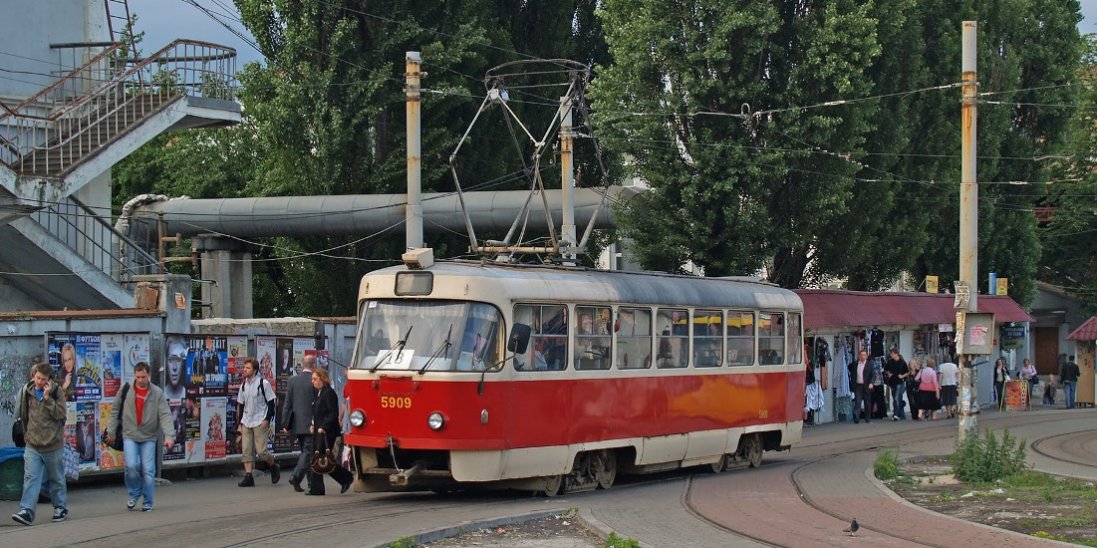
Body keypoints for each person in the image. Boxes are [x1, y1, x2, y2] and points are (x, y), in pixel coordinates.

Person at [105, 361, 175, 512]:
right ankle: (134, 492)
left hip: (148, 436)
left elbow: (165, 415)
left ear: (148, 375)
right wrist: (111, 431)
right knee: (131, 466)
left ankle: (148, 501)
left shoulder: (157, 393)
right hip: (129, 434)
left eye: (143, 377)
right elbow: (115, 410)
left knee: (148, 470)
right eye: (138, 377)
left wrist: (169, 435)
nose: (141, 380)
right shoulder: (126, 389)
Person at [12, 363, 68, 526]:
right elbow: (23, 415)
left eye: (43, 379)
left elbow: (61, 414)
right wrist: (26, 434)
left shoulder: (57, 392)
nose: (39, 382)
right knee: (30, 478)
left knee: (56, 478)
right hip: (33, 444)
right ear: (33, 376)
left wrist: (47, 398)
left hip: (53, 445)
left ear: (49, 380)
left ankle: (60, 507)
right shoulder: (26, 391)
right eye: (37, 378)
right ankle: (27, 511)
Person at [236, 357, 280, 487]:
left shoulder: (263, 383)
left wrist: (267, 419)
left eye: (248, 368)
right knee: (246, 450)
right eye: (244, 367)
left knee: (261, 451)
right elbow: (240, 405)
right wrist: (240, 423)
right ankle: (248, 476)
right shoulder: (243, 386)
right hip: (247, 421)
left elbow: (271, 402)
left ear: (255, 370)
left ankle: (273, 465)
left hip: (260, 420)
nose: (245, 370)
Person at [309, 367, 354, 495]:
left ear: (322, 379)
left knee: (321, 458)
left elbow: (332, 413)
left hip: (326, 432)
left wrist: (323, 426)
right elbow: (318, 413)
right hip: (319, 430)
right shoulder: (319, 392)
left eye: (315, 379)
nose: (313, 381)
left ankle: (345, 478)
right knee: (317, 458)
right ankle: (317, 488)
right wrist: (313, 424)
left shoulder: (329, 393)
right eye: (312, 379)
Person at [282, 354, 317, 493]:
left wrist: (286, 424)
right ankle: (296, 476)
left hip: (297, 423)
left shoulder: (292, 380)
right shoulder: (315, 380)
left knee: (305, 452)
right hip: (311, 424)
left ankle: (310, 483)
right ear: (314, 365)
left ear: (302, 365)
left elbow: (287, 404)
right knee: (308, 452)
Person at [847, 350, 873, 423]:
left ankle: (867, 418)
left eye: (864, 355)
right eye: (861, 355)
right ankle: (856, 417)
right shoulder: (855, 364)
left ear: (866, 356)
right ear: (859, 356)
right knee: (857, 401)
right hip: (858, 385)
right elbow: (850, 369)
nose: (862, 356)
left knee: (867, 402)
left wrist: (871, 383)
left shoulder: (870, 364)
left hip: (867, 385)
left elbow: (873, 375)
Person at [883, 350, 908, 421]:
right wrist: (888, 373)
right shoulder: (890, 362)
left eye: (892, 354)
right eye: (891, 354)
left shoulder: (902, 362)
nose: (891, 355)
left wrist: (902, 376)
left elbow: (907, 372)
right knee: (895, 398)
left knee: (897, 397)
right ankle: (900, 414)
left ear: (896, 354)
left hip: (899, 382)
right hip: (892, 382)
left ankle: (896, 414)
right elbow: (886, 370)